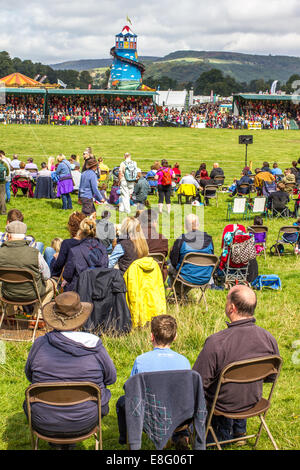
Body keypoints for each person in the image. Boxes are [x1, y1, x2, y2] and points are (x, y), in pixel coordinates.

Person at [24, 291, 117, 448]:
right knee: (104, 394)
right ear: (80, 320)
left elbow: (30, 375)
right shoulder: (95, 346)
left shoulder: (39, 344)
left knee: (28, 401)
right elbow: (111, 378)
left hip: (44, 420)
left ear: (54, 318)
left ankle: (58, 441)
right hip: (86, 419)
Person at [193, 285, 280, 444]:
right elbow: (271, 377)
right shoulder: (268, 338)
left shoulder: (216, 342)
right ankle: (239, 431)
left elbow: (197, 382)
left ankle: (219, 434)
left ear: (231, 308)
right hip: (253, 401)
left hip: (222, 406)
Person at [116, 315, 191, 450]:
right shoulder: (184, 361)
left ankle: (127, 439)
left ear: (151, 336)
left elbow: (131, 390)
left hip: (149, 416)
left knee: (122, 401)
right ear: (175, 337)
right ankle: (180, 435)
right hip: (176, 415)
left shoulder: (141, 360)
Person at [0, 221, 56, 315]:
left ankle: (9, 315)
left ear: (9, 236)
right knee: (52, 284)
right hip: (32, 293)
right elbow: (46, 275)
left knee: (3, 284)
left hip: (7, 293)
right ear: (24, 237)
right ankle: (37, 316)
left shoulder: (1, 252)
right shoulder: (35, 253)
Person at [168, 214, 214, 297]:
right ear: (199, 225)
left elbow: (174, 261)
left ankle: (179, 294)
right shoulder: (209, 240)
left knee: (170, 268)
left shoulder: (181, 240)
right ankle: (182, 293)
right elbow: (212, 259)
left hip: (186, 276)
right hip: (205, 276)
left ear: (185, 226)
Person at [63, 217, 108, 291]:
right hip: (99, 289)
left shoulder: (75, 251)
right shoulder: (103, 248)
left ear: (81, 231)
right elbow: (105, 268)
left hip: (80, 291)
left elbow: (67, 275)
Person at [50, 211, 86, 278]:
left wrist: (56, 259)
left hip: (70, 279)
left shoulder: (67, 243)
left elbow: (58, 267)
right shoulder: (91, 242)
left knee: (50, 253)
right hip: (87, 278)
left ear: (70, 226)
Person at [139, 208, 169, 281]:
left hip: (138, 275)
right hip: (157, 276)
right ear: (154, 222)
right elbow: (164, 256)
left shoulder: (134, 237)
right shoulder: (162, 239)